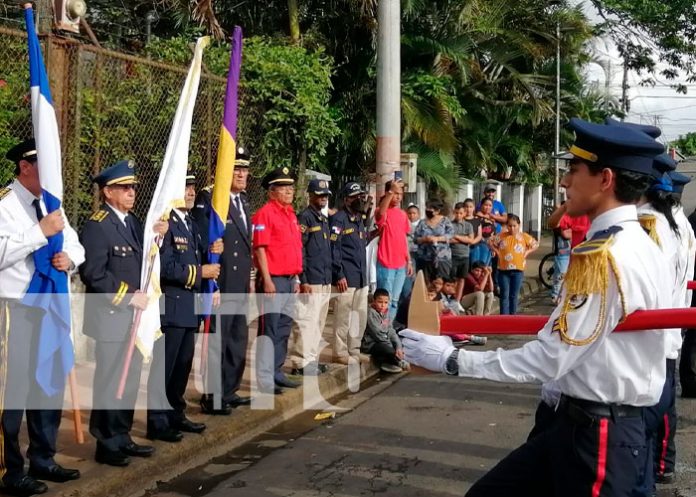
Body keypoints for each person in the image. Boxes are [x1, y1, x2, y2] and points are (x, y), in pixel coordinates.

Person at [401, 117, 671, 497]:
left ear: (605, 179)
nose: (563, 183)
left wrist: (452, 360)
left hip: (599, 436)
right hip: (579, 423)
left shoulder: (608, 255)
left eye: (573, 171)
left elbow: (553, 356)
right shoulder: (639, 240)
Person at [0, 139, 84, 495]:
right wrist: (40, 232)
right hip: (16, 309)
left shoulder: (51, 204)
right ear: (25, 167)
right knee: (14, 392)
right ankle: (12, 469)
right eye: (44, 165)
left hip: (49, 305)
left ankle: (43, 458)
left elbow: (74, 243)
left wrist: (70, 260)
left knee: (47, 383)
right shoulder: (5, 204)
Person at [80, 160, 167, 466]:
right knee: (109, 379)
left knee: (129, 379)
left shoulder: (131, 223)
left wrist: (157, 237)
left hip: (133, 317)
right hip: (111, 317)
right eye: (124, 188)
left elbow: (143, 262)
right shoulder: (98, 225)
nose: (131, 193)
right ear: (107, 192)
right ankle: (106, 443)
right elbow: (93, 273)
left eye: (132, 188)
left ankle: (122, 435)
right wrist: (129, 298)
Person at [146, 174, 215, 442]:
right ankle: (157, 421)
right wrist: (201, 271)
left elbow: (197, 256)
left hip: (190, 307)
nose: (190, 192)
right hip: (171, 307)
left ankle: (176, 413)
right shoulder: (165, 223)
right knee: (165, 367)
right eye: (184, 187)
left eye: (192, 188)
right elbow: (165, 268)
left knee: (183, 365)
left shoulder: (191, 224)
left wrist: (212, 251)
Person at [192, 147, 253, 415]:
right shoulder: (211, 200)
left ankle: (229, 389)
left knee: (237, 338)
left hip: (239, 283)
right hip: (221, 281)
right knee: (218, 339)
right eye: (236, 169)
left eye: (244, 169)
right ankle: (213, 395)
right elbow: (203, 237)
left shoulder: (244, 202)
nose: (241, 174)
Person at [252, 167, 303, 392]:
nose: (289, 191)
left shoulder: (291, 214)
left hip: (289, 279)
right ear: (272, 192)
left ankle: (276, 371)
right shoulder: (265, 214)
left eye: (290, 187)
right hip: (273, 280)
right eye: (284, 188)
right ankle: (264, 378)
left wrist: (297, 279)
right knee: (269, 329)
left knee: (283, 329)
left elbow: (294, 248)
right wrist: (267, 278)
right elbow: (260, 248)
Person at [288, 179, 333, 376]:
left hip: (324, 278)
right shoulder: (305, 218)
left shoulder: (322, 219)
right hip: (311, 279)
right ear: (311, 195)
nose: (323, 198)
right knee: (305, 321)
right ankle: (300, 361)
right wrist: (303, 279)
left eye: (325, 195)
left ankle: (311, 360)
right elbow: (300, 251)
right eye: (319, 194)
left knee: (318, 323)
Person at [330, 182, 370, 365]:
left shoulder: (359, 219)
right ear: (346, 200)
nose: (359, 200)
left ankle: (354, 349)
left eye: (360, 196)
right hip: (346, 277)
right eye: (355, 197)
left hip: (361, 276)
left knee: (359, 316)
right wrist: (338, 274)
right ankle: (340, 352)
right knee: (343, 317)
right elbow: (333, 248)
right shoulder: (339, 219)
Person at [375, 179, 412, 319]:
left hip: (400, 265)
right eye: (395, 193)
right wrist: (390, 191)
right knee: (384, 302)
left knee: (394, 301)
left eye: (400, 194)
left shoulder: (403, 214)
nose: (397, 197)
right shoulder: (382, 210)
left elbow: (404, 238)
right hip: (386, 263)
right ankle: (381, 331)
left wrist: (408, 260)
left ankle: (388, 330)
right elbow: (380, 215)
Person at [489, 214, 538, 315]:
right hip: (503, 270)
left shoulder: (524, 237)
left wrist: (527, 252)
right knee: (504, 295)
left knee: (514, 295)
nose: (512, 228)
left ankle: (513, 316)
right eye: (510, 226)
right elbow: (490, 242)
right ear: (507, 226)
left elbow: (535, 244)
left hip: (518, 271)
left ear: (519, 225)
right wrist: (496, 251)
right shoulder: (501, 236)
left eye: (514, 225)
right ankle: (503, 319)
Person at [361, 288, 408, 373]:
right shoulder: (371, 313)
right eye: (380, 302)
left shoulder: (385, 312)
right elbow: (377, 334)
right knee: (388, 350)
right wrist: (392, 348)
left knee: (399, 344)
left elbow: (391, 331)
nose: (383, 305)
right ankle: (395, 362)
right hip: (372, 344)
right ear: (374, 301)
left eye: (385, 303)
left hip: (384, 340)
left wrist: (398, 347)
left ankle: (393, 361)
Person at [413, 199, 453, 280]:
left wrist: (437, 239)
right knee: (425, 283)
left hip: (442, 258)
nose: (428, 210)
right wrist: (424, 239)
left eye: (430, 208)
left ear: (437, 211)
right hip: (424, 258)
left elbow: (451, 235)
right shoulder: (422, 223)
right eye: (427, 208)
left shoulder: (445, 221)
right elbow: (415, 238)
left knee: (442, 282)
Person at [450, 202, 477, 301]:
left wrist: (456, 236)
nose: (458, 215)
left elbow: (471, 240)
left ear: (464, 213)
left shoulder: (468, 225)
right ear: (454, 212)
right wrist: (464, 238)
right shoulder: (450, 224)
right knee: (452, 278)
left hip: (465, 255)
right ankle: (451, 297)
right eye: (456, 213)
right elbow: (448, 239)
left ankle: (457, 300)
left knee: (462, 278)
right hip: (452, 255)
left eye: (461, 213)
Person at [547, 205, 572, 303]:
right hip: (562, 254)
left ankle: (560, 295)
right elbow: (566, 235)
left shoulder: (568, 220)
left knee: (562, 275)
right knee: (560, 275)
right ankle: (555, 296)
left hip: (569, 252)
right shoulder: (557, 224)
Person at [471, 198, 496, 268]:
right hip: (479, 246)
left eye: (490, 205)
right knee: (478, 269)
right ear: (481, 205)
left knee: (486, 269)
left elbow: (494, 233)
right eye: (486, 205)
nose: (488, 207)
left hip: (489, 247)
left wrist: (494, 248)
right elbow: (474, 232)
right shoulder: (476, 217)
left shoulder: (492, 218)